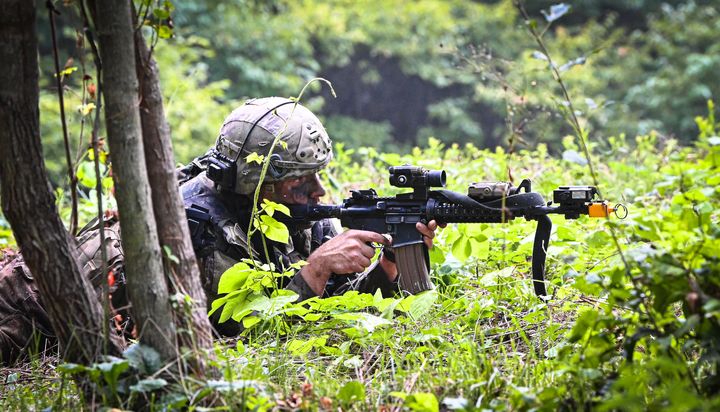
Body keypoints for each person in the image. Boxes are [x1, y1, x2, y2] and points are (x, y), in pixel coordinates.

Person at [0, 97, 440, 361]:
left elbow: (328, 307)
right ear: (257, 183)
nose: (318, 190)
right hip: (27, 307)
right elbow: (228, 338)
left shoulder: (290, 209)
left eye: (316, 175)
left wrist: (387, 268)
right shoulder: (197, 229)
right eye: (299, 179)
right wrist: (313, 272)